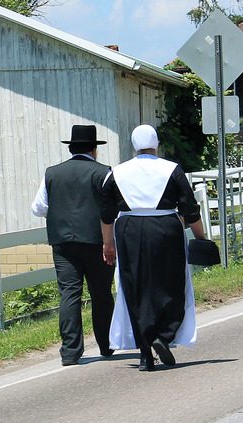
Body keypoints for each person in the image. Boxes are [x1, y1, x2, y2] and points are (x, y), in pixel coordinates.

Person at [100, 124, 206, 371]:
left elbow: (106, 214)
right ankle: (164, 335)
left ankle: (145, 352)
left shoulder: (116, 172)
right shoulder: (172, 170)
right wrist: (200, 237)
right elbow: (189, 208)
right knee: (170, 283)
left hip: (128, 230)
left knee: (135, 287)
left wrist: (108, 244)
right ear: (156, 144)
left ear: (133, 146)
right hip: (165, 227)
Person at [31, 125, 116, 366]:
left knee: (69, 294)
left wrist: (61, 211)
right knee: (101, 294)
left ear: (71, 148)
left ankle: (70, 351)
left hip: (63, 242)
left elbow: (38, 208)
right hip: (97, 242)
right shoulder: (104, 173)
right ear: (94, 149)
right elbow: (112, 209)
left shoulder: (52, 173)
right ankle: (107, 344)